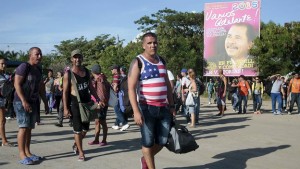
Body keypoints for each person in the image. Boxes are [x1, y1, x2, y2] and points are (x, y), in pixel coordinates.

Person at [128, 32, 175, 169]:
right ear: (143, 45)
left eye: (154, 42)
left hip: (164, 107)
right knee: (147, 142)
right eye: (149, 43)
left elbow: (167, 84)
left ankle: (146, 159)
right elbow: (131, 88)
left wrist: (172, 105)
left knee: (163, 140)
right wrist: (136, 111)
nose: (152, 45)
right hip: (146, 108)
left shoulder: (162, 61)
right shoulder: (138, 62)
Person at [63, 49, 100, 161]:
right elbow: (65, 92)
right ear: (72, 59)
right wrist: (65, 108)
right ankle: (81, 152)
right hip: (75, 105)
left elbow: (91, 87)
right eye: (75, 57)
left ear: (82, 58)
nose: (77, 59)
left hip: (87, 104)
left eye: (79, 57)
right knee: (78, 129)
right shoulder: (68, 74)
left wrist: (98, 99)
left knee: (85, 129)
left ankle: (76, 144)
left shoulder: (87, 72)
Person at [13, 47, 45, 165]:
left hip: (32, 102)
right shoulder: (24, 67)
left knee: (30, 128)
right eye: (37, 54)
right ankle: (22, 155)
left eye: (40, 54)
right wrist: (23, 101)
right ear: (30, 55)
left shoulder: (38, 69)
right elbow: (17, 84)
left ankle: (28, 152)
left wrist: (46, 103)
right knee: (23, 127)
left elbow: (41, 87)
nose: (39, 56)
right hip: (21, 101)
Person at [88, 64, 110, 146]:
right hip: (97, 103)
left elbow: (102, 93)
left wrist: (100, 103)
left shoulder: (100, 79)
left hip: (101, 104)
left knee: (102, 122)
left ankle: (104, 140)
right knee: (97, 121)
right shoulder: (98, 78)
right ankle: (96, 139)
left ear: (93, 71)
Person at [0, 58, 15, 147]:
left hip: (3, 100)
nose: (4, 65)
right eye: (2, 64)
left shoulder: (5, 75)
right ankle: (4, 141)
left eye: (5, 64)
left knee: (2, 120)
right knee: (2, 120)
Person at [111, 64, 130, 131]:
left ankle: (125, 123)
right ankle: (116, 124)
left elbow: (115, 87)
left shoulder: (116, 76)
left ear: (116, 70)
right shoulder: (121, 76)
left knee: (117, 110)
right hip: (122, 96)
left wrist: (113, 93)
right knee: (120, 110)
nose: (111, 70)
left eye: (112, 69)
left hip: (117, 96)